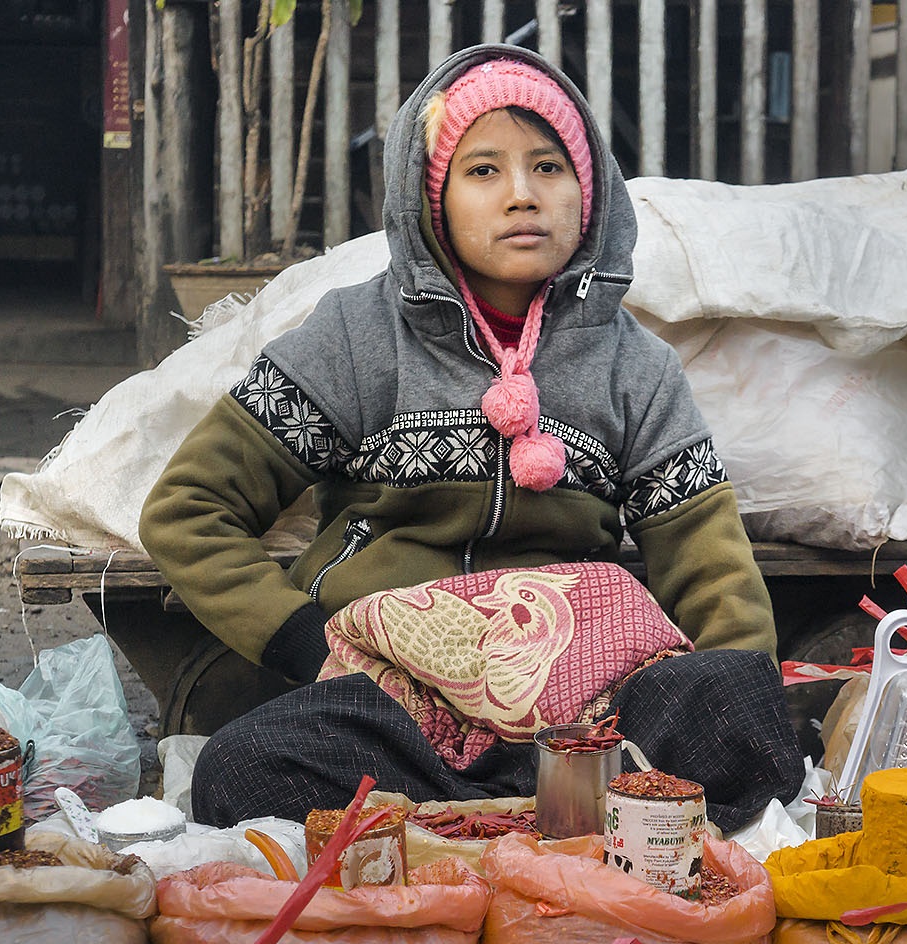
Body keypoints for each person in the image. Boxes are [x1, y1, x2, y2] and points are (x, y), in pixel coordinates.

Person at [140, 45, 800, 831]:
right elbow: (187, 509)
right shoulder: (355, 339)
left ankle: (480, 827)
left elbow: (713, 575)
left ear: (589, 192)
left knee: (737, 701)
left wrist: (729, 699)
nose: (523, 195)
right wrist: (303, 643)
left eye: (549, 167)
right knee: (242, 770)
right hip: (391, 703)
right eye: (483, 171)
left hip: (584, 715)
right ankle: (550, 830)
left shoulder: (636, 368)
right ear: (431, 200)